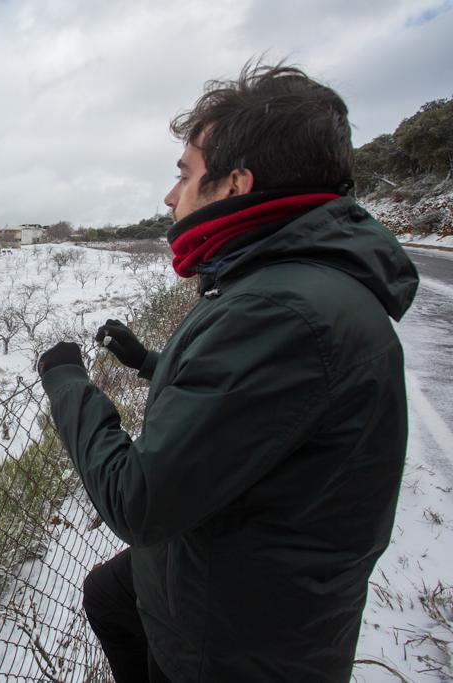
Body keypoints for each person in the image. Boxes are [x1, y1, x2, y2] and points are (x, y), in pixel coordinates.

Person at [36, 61, 419, 682]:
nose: (169, 196)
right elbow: (256, 407)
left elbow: (138, 499)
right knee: (110, 594)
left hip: (235, 638)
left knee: (114, 595)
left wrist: (66, 383)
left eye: (184, 174)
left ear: (236, 184)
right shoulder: (293, 283)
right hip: (250, 571)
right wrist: (146, 362)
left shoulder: (279, 311)